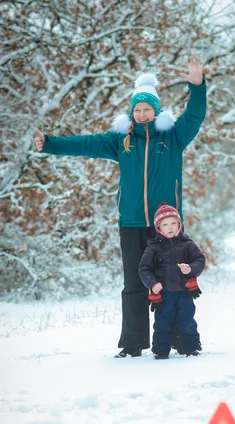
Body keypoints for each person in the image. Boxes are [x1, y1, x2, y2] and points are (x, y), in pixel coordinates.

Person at [34, 58, 206, 357]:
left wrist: (197, 85)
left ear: (156, 111)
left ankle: (181, 340)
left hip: (166, 226)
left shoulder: (173, 136)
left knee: (174, 283)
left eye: (147, 109)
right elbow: (85, 144)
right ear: (131, 112)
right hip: (130, 222)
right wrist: (49, 143)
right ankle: (133, 343)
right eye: (137, 110)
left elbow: (195, 114)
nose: (141, 114)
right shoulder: (121, 141)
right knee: (135, 283)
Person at [139, 202, 205, 359]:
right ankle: (160, 351)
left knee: (187, 320)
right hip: (164, 293)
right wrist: (153, 283)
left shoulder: (187, 244)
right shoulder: (153, 247)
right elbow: (144, 268)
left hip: (185, 292)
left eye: (174, 223)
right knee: (162, 322)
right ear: (158, 228)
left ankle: (191, 348)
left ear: (179, 225)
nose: (170, 228)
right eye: (165, 224)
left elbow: (200, 260)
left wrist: (191, 268)